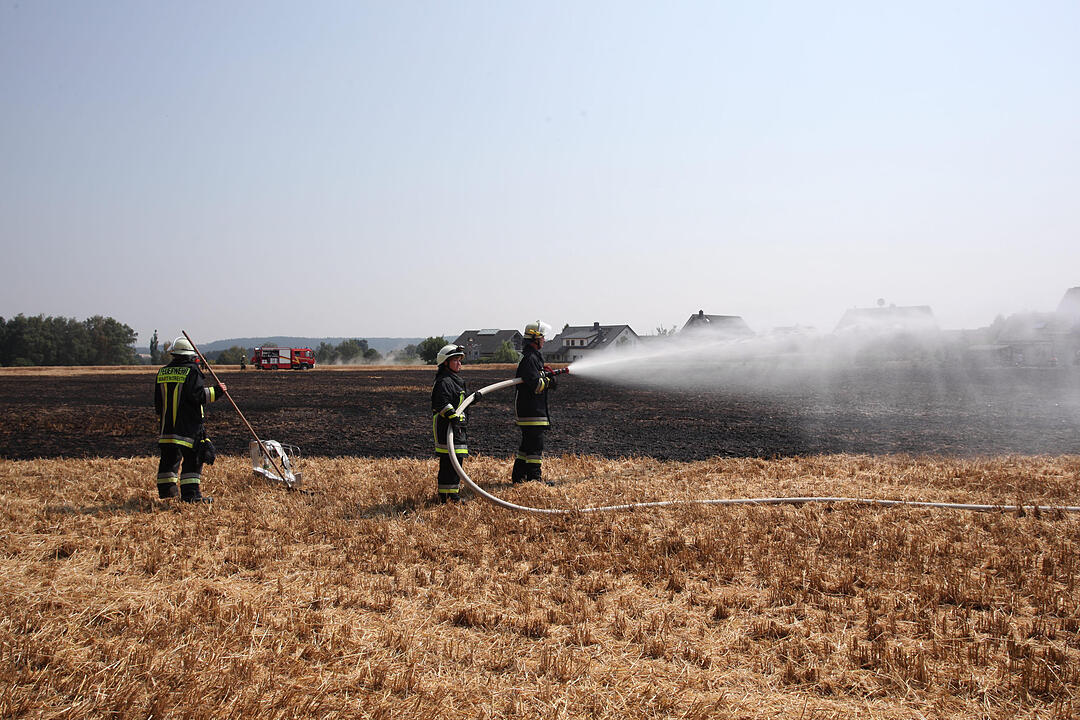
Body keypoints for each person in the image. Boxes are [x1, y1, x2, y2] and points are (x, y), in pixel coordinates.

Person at [154, 336, 227, 503]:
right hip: (187, 428)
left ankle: (167, 493)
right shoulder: (192, 371)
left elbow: (158, 402)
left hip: (167, 428)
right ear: (190, 355)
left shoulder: (162, 372)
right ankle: (191, 496)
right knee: (194, 458)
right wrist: (218, 391)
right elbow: (198, 396)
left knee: (169, 459)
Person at [512, 320, 556, 483]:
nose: (544, 340)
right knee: (535, 447)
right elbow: (535, 384)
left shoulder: (534, 358)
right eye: (543, 337)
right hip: (531, 412)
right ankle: (534, 479)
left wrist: (547, 377)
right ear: (535, 339)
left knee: (527, 447)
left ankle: (519, 477)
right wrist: (549, 382)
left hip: (532, 411)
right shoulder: (530, 359)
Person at [431, 344, 469, 502]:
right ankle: (447, 496)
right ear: (445, 362)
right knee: (449, 463)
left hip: (456, 428)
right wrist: (453, 416)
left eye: (460, 360)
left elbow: (458, 402)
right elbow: (441, 403)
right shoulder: (444, 381)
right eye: (455, 360)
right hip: (447, 428)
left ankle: (451, 494)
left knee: (456, 462)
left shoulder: (455, 380)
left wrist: (472, 399)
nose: (459, 363)